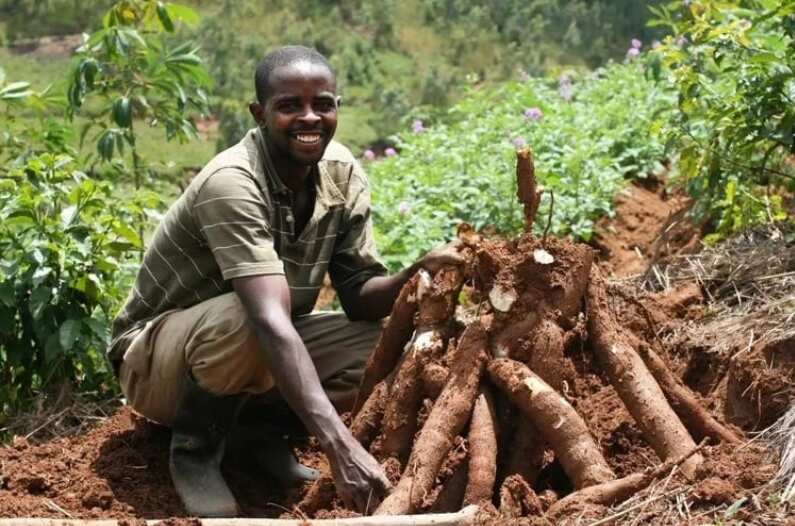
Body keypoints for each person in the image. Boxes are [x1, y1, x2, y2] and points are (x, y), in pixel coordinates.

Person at [108, 45, 462, 518]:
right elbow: (269, 321)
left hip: (254, 346)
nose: (309, 118)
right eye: (289, 106)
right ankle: (194, 451)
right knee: (248, 316)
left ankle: (256, 435)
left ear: (338, 107)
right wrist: (341, 447)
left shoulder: (341, 171)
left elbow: (359, 296)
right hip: (155, 363)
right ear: (260, 113)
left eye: (323, 104)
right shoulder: (232, 182)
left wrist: (416, 272)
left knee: (386, 344)